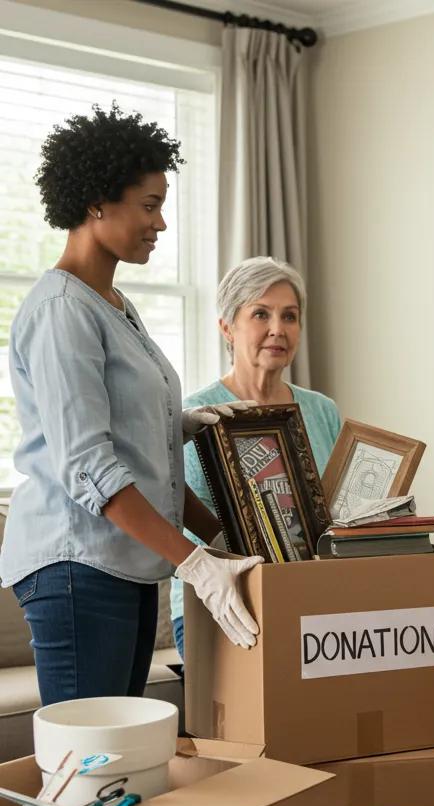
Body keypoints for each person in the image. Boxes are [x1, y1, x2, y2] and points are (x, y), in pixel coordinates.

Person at [0, 104, 262, 707]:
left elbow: (141, 456)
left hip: (128, 562)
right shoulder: (62, 311)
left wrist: (233, 542)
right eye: (149, 205)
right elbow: (92, 466)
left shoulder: (113, 304)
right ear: (97, 202)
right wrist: (197, 563)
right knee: (88, 764)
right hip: (77, 568)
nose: (161, 224)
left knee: (123, 761)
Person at [170, 257, 341, 658]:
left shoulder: (322, 411)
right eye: (260, 314)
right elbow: (174, 506)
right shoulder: (193, 414)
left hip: (310, 598)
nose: (278, 329)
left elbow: (334, 510)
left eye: (290, 316)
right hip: (219, 605)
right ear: (227, 327)